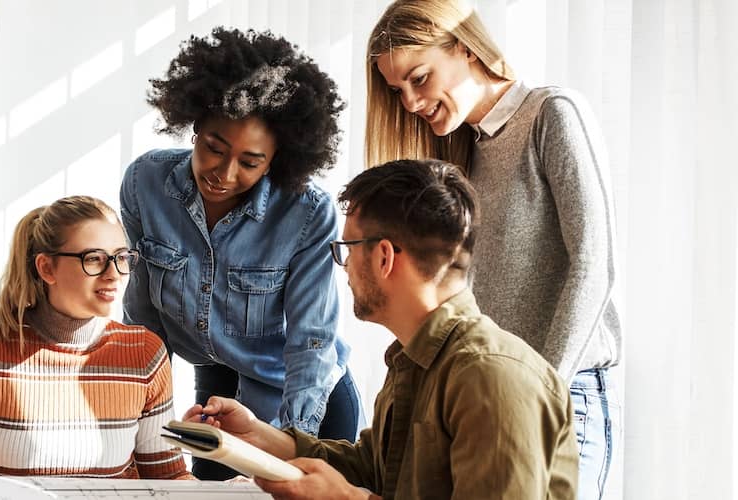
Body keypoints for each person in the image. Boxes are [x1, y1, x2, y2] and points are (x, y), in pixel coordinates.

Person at [187, 159, 578, 499]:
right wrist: (258, 437)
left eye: (348, 249)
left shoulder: (491, 376)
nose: (345, 268)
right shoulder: (414, 358)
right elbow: (372, 469)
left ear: (384, 257)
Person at [363, 1, 621, 497]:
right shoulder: (461, 153)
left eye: (419, 78)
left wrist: (542, 390)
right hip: (490, 400)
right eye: (399, 92)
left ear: (463, 46)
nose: (411, 102)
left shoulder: (552, 115)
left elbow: (594, 266)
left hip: (564, 395)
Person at [120, 27, 365, 481]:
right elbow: (143, 324)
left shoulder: (308, 215)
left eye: (251, 162)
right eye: (214, 148)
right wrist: (138, 432)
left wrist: (292, 443)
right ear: (194, 127)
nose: (224, 173)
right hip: (218, 389)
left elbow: (311, 341)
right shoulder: (144, 184)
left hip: (306, 399)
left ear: (277, 161)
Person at [0, 196, 191, 480]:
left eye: (121, 257)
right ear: (46, 268)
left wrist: (234, 491)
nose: (114, 274)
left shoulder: (144, 353)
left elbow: (168, 479)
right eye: (94, 259)